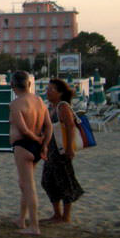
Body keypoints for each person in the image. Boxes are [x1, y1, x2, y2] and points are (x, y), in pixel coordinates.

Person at [9, 70, 52, 236]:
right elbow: (48, 125)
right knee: (24, 183)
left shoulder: (16, 104)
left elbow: (23, 129)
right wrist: (45, 144)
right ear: (29, 84)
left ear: (13, 85)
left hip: (24, 145)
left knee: (28, 185)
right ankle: (21, 219)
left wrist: (35, 138)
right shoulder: (39, 101)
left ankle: (34, 225)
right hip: (36, 146)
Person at [41, 78, 85, 224]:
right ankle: (57, 214)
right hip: (52, 150)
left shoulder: (63, 107)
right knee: (48, 181)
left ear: (59, 93)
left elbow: (70, 127)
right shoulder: (51, 107)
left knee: (64, 181)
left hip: (61, 150)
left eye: (50, 89)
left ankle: (65, 216)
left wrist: (69, 149)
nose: (47, 92)